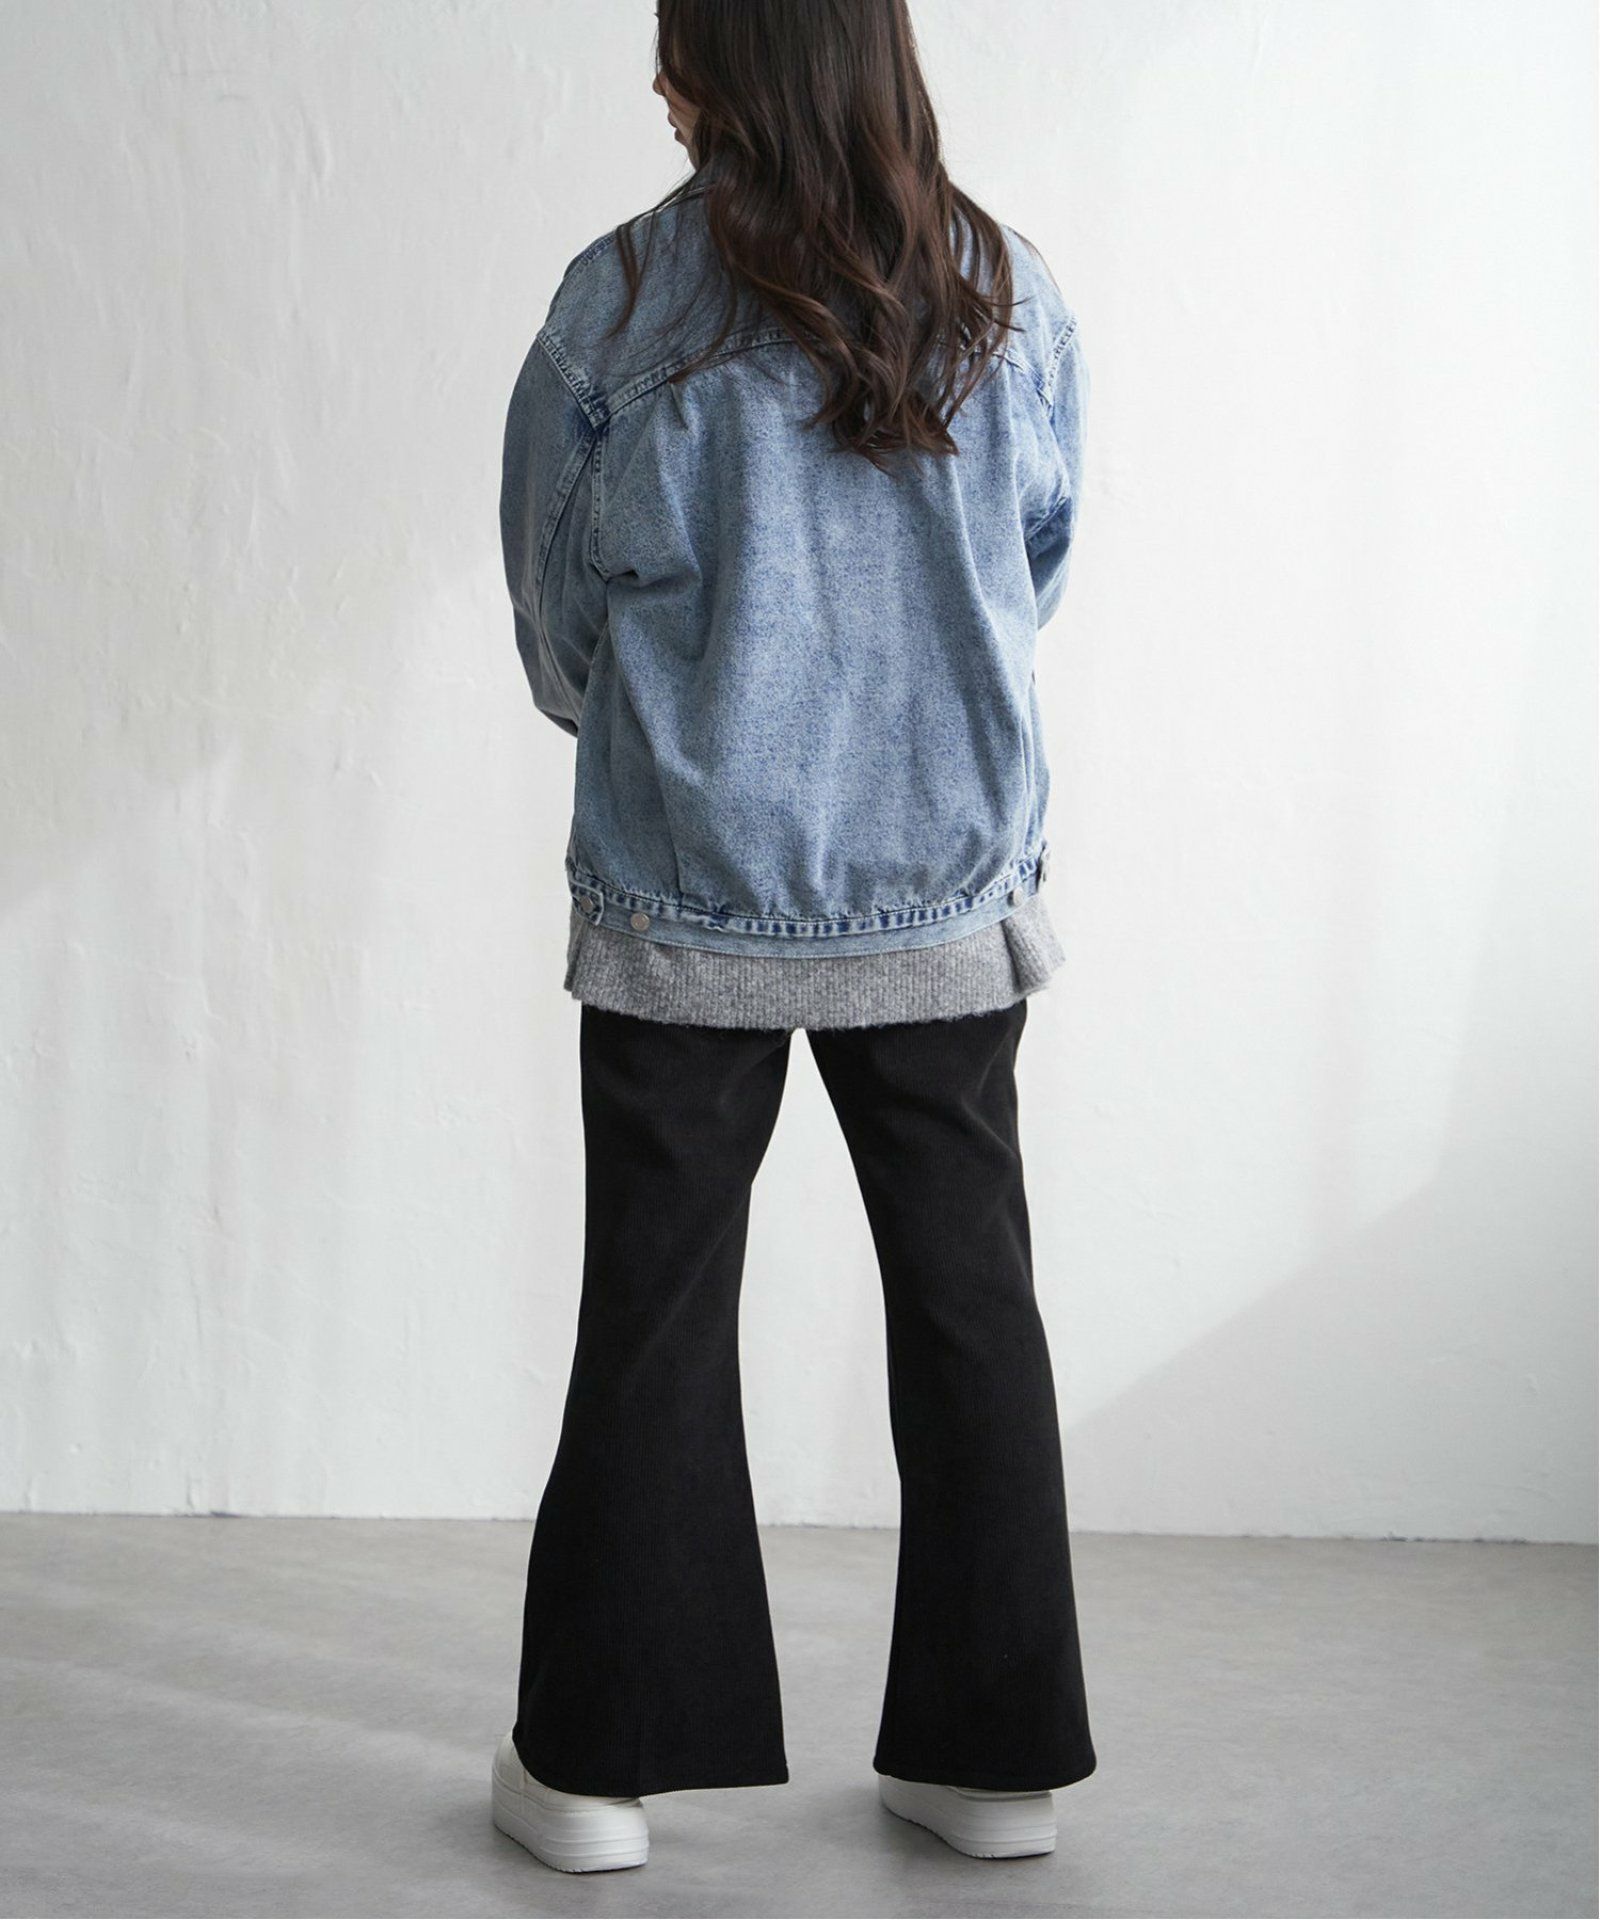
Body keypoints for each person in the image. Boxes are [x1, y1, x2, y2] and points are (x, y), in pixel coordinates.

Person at [491, 0, 1096, 1873]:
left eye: (674, 51)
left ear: (712, 79)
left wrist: (660, 728)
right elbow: (1036, 563)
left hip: (689, 889)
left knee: (654, 1313)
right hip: (944, 886)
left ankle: (593, 1775)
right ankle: (993, 1764)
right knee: (971, 1304)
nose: (658, 85)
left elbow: (555, 602)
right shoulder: (1004, 290)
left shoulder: (619, 301)